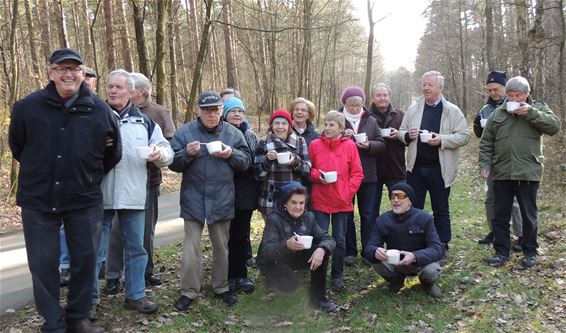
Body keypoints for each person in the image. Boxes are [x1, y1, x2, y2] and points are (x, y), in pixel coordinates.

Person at [9, 48, 121, 333]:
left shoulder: (99, 110)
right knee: (43, 264)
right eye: (62, 69)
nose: (68, 74)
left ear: (83, 74)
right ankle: (54, 322)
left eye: (74, 69)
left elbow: (112, 154)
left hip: (83, 198)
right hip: (38, 199)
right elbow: (18, 147)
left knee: (85, 261)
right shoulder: (27, 107)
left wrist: (84, 173)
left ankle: (78, 320)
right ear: (51, 73)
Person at [94, 69, 173, 315]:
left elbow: (167, 150)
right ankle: (88, 302)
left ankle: (136, 295)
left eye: (118, 87)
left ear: (131, 92)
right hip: (100, 195)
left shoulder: (144, 120)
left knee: (137, 248)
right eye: (110, 86)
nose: (113, 91)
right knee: (94, 250)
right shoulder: (95, 116)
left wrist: (160, 155)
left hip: (134, 195)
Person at [169, 91, 252, 310]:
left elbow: (245, 162)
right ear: (199, 111)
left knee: (221, 247)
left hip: (222, 198)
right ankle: (189, 291)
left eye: (215, 110)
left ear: (221, 111)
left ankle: (221, 287)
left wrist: (230, 154)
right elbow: (173, 163)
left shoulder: (233, 134)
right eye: (207, 111)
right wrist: (186, 153)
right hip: (193, 197)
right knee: (191, 247)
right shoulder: (185, 132)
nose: (211, 115)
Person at [479, 76, 561, 268]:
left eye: (518, 95)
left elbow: (555, 127)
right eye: (510, 95)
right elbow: (486, 142)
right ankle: (501, 253)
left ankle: (530, 252)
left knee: (528, 215)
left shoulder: (538, 109)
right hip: (502, 172)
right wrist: (485, 165)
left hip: (528, 171)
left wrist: (531, 113)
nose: (514, 99)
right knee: (500, 216)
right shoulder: (498, 114)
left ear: (527, 94)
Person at [398, 70, 470, 261]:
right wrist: (407, 135)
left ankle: (442, 244)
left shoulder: (451, 110)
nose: (426, 88)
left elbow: (464, 136)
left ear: (440, 87)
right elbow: (401, 131)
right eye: (424, 84)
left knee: (441, 209)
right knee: (414, 208)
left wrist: (442, 140)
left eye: (430, 85)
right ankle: (416, 243)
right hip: (415, 168)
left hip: (440, 169)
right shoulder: (414, 109)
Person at [256, 182, 337, 312]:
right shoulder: (274, 219)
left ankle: (319, 298)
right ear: (284, 203)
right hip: (275, 259)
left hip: (297, 256)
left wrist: (322, 249)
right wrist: (286, 245)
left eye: (301, 203)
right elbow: (267, 252)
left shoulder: (309, 217)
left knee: (322, 250)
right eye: (293, 203)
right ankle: (272, 280)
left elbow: (328, 239)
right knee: (290, 286)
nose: (298, 207)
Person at [308, 110, 363, 291]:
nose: (327, 128)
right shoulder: (315, 145)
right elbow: (309, 169)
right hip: (320, 200)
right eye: (326, 124)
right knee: (320, 238)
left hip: (342, 201)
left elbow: (357, 173)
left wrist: (347, 193)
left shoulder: (350, 146)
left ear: (341, 128)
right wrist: (318, 176)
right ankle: (319, 274)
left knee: (340, 239)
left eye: (332, 125)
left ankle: (337, 275)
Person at [130, 71, 176, 286]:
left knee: (146, 228)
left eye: (130, 87)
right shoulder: (112, 110)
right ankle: (113, 273)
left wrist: (157, 151)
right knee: (117, 230)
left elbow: (170, 142)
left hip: (150, 179)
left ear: (140, 91)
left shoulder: (159, 112)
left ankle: (147, 271)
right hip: (120, 180)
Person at [363, 183, 443, 298]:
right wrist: (375, 251)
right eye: (393, 196)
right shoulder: (382, 220)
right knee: (376, 261)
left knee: (431, 270)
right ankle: (396, 282)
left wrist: (415, 256)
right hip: (396, 262)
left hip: (422, 263)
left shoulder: (424, 218)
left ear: (410, 201)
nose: (395, 200)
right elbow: (369, 248)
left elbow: (437, 249)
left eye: (400, 196)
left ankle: (427, 284)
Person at [473, 71, 523, 250]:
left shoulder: (515, 104)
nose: (493, 92)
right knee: (491, 198)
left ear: (504, 87)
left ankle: (521, 234)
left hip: (512, 159)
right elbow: (479, 134)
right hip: (491, 159)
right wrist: (478, 123)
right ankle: (495, 231)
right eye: (490, 90)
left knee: (515, 200)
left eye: (496, 89)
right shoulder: (485, 109)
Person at [338, 86, 385, 266]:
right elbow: (326, 140)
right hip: (345, 175)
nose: (355, 109)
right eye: (351, 105)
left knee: (368, 214)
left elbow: (381, 144)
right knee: (347, 214)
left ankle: (368, 250)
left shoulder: (370, 120)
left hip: (367, 175)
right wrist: (342, 136)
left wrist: (369, 145)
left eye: (358, 105)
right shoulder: (337, 119)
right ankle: (350, 251)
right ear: (344, 104)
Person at [222, 97, 259, 293]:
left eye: (240, 111)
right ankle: (227, 277)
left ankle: (241, 275)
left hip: (245, 193)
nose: (237, 114)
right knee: (225, 237)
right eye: (232, 111)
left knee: (242, 236)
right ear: (224, 114)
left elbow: (254, 162)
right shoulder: (220, 132)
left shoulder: (250, 135)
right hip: (223, 192)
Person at [254, 109, 311, 217]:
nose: (280, 127)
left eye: (284, 123)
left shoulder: (299, 141)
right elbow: (257, 175)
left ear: (290, 126)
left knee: (293, 233)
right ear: (271, 126)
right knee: (272, 233)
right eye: (276, 123)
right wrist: (268, 161)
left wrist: (294, 160)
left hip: (294, 199)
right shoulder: (264, 143)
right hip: (270, 198)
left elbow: (307, 171)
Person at [368, 83, 406, 214]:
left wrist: (399, 135)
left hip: (395, 167)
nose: (382, 98)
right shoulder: (366, 116)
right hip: (372, 169)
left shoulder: (401, 115)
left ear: (389, 97)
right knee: (371, 210)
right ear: (373, 97)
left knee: (401, 205)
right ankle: (373, 235)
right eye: (378, 95)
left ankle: (399, 234)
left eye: (385, 95)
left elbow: (409, 139)